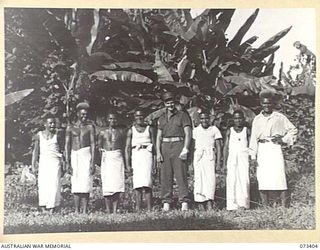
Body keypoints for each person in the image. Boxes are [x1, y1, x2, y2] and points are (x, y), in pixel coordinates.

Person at [249, 90, 298, 207]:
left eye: (269, 103)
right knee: (263, 176)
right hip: (262, 149)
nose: (267, 105)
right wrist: (252, 156)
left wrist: (283, 139)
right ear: (261, 103)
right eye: (264, 103)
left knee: (279, 175)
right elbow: (253, 138)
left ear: (272, 104)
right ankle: (266, 206)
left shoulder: (279, 117)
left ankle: (284, 206)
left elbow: (293, 130)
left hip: (275, 148)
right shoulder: (257, 119)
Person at [156, 91, 192, 211]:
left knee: (180, 174)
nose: (170, 105)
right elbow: (159, 136)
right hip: (165, 146)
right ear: (164, 104)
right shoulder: (161, 118)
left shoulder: (182, 115)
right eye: (167, 102)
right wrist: (158, 152)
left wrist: (185, 149)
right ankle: (167, 201)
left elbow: (188, 133)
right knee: (166, 175)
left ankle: (184, 201)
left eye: (172, 102)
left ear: (174, 103)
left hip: (178, 145)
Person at [65, 102, 96, 214]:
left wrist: (92, 162)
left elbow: (93, 144)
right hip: (75, 156)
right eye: (82, 115)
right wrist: (67, 162)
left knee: (86, 182)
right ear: (77, 114)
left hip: (86, 155)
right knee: (76, 183)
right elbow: (67, 146)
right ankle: (77, 210)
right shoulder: (70, 128)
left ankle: (84, 210)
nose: (84, 117)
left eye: (86, 115)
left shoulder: (90, 127)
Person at [31, 115, 64, 213]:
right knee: (43, 184)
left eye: (54, 123)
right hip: (43, 163)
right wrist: (33, 165)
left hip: (55, 163)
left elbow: (62, 150)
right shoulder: (39, 135)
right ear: (45, 124)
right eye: (50, 123)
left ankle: (53, 207)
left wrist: (64, 162)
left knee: (54, 184)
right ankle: (43, 207)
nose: (53, 125)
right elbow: (35, 151)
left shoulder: (57, 135)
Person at [125, 109, 156, 212]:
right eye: (137, 116)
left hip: (147, 154)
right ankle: (138, 208)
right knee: (137, 183)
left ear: (144, 117)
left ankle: (149, 208)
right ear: (134, 117)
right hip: (136, 155)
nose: (139, 118)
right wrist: (128, 164)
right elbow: (127, 148)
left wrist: (155, 164)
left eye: (141, 116)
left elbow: (155, 147)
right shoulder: (131, 130)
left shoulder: (149, 129)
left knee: (147, 182)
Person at [193, 111, 222, 210]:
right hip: (198, 157)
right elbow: (192, 146)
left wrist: (218, 162)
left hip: (210, 156)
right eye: (202, 118)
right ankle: (200, 203)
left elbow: (218, 146)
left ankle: (209, 202)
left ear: (209, 119)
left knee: (210, 180)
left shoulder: (214, 129)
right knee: (199, 179)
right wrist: (190, 163)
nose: (204, 120)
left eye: (206, 118)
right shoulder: (196, 130)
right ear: (199, 120)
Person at [98, 112, 126, 213]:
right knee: (107, 184)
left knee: (117, 183)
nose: (112, 121)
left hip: (117, 157)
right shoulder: (102, 133)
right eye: (110, 119)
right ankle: (108, 209)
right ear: (107, 120)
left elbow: (124, 146)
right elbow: (99, 146)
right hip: (107, 157)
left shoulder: (121, 132)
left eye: (114, 119)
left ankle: (115, 210)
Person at [223, 110, 250, 210]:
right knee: (232, 180)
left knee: (243, 179)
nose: (238, 120)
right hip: (232, 159)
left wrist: (252, 158)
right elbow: (225, 147)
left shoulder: (246, 130)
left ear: (243, 119)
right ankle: (232, 205)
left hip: (243, 159)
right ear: (233, 120)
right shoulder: (230, 131)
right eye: (236, 118)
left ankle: (244, 204)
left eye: (240, 118)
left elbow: (251, 146)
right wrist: (224, 163)